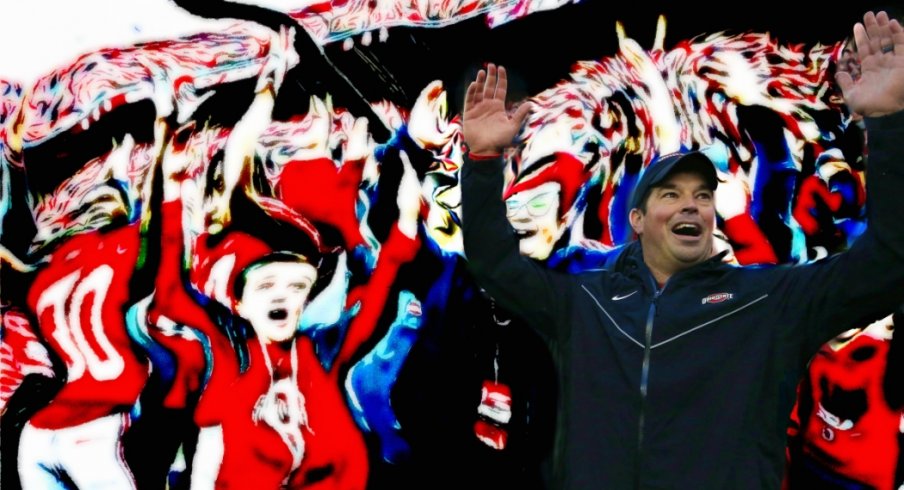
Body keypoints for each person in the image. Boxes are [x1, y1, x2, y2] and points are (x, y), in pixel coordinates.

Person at [460, 10, 904, 490]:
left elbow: (885, 266)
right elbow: (494, 264)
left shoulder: (771, 301)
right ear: (635, 221)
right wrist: (483, 161)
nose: (689, 206)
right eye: (670, 195)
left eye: (702, 195)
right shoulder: (583, 304)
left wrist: (888, 125)